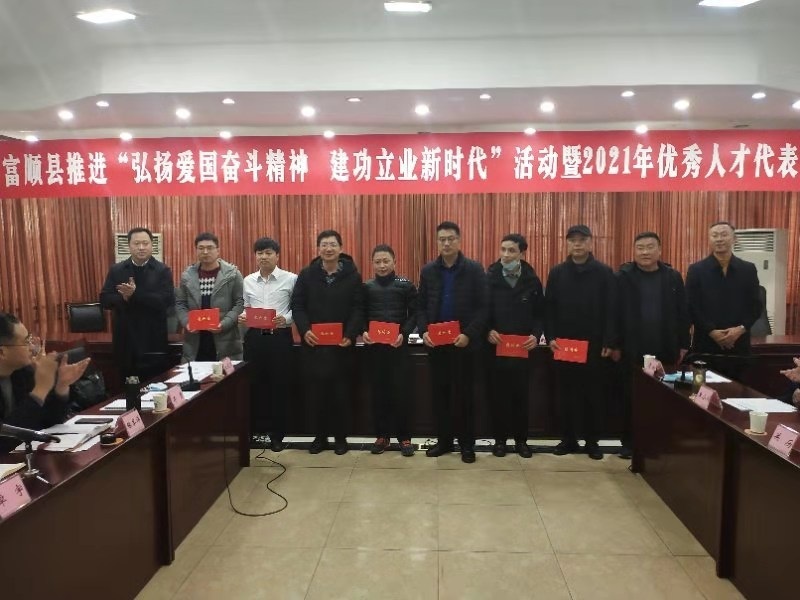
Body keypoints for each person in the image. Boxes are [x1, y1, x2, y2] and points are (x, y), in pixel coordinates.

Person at [614, 232, 690, 459]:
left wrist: (684, 344)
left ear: (660, 250)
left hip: (665, 348)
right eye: (640, 247)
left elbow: (683, 313)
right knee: (630, 397)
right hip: (632, 349)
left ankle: (659, 442)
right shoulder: (623, 277)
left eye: (650, 247)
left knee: (662, 397)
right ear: (634, 251)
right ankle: (629, 444)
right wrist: (614, 344)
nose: (645, 252)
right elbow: (613, 313)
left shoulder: (672, 277)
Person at [417, 221, 488, 463]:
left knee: (464, 397)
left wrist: (469, 334)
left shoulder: (474, 270)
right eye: (442, 239)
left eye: (450, 239)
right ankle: (444, 441)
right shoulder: (428, 271)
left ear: (459, 240)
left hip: (464, 345)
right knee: (440, 396)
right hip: (437, 346)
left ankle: (467, 445)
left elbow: (484, 307)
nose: (446, 243)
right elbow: (421, 306)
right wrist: (424, 331)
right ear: (437, 242)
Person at [544, 224, 617, 460]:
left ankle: (592, 442)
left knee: (592, 395)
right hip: (564, 344)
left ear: (590, 242)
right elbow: (549, 309)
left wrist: (609, 340)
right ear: (567, 243)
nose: (577, 244)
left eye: (582, 240)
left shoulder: (604, 272)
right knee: (565, 395)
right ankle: (568, 439)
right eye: (573, 240)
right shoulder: (557, 273)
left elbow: (611, 309)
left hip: (594, 346)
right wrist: (551, 337)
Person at [291, 230, 363, 455]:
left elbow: (358, 308)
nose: (328, 248)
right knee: (317, 395)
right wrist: (305, 330)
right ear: (318, 248)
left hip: (342, 347)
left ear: (341, 248)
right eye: (324, 244)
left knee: (341, 395)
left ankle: (340, 438)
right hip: (314, 347)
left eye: (333, 244)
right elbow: (297, 305)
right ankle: (320, 437)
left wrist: (350, 334)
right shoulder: (307, 275)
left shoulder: (353, 276)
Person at [485, 234, 543, 458]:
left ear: (521, 253)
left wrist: (536, 335)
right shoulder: (489, 277)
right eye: (503, 249)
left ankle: (521, 441)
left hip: (522, 349)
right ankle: (499, 441)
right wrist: (487, 330)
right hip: (496, 348)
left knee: (521, 397)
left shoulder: (532, 280)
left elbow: (540, 314)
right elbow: (481, 310)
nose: (506, 255)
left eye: (511, 251)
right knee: (498, 397)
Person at [0, 312, 90, 452]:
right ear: (2, 352)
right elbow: (5, 439)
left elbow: (49, 421)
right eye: (26, 342)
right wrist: (40, 389)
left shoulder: (23, 372)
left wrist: (61, 386)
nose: (32, 347)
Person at [238, 237, 297, 451]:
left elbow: (298, 309)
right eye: (260, 253)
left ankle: (277, 435)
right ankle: (256, 432)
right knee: (255, 385)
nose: (264, 257)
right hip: (254, 339)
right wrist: (243, 316)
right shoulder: (248, 280)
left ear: (277, 256)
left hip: (279, 338)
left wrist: (286, 318)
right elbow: (247, 307)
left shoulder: (291, 279)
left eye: (268, 253)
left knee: (279, 386)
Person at [362, 244, 418, 457]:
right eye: (378, 262)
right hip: (375, 350)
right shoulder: (367, 287)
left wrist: (404, 333)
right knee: (379, 394)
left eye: (386, 261)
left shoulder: (406, 285)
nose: (382, 265)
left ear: (395, 262)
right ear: (372, 264)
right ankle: (382, 436)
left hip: (399, 349)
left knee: (401, 394)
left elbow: (415, 313)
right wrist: (363, 331)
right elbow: (360, 314)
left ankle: (405, 438)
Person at [100, 227, 175, 382]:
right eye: (136, 243)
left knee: (155, 387)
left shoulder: (162, 270)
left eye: (145, 243)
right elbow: (105, 299)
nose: (141, 247)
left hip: (153, 340)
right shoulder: (117, 270)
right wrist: (124, 298)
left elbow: (166, 301)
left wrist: (135, 295)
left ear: (152, 245)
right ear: (129, 245)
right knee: (127, 388)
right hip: (125, 340)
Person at [686, 221, 761, 373]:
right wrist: (711, 331)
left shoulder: (748, 269)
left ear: (734, 239)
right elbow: (691, 305)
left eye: (724, 235)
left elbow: (756, 305)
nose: (719, 239)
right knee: (702, 386)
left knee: (739, 386)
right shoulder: (696, 270)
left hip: (738, 344)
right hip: (706, 343)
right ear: (709, 239)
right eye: (715, 235)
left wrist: (740, 329)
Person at [176, 232, 244, 361]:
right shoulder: (187, 276)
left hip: (225, 340)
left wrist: (224, 324)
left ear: (218, 250)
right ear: (196, 250)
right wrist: (187, 322)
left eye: (210, 248)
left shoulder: (232, 275)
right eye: (201, 248)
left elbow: (240, 303)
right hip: (195, 341)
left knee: (225, 374)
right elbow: (180, 304)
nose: (205, 252)